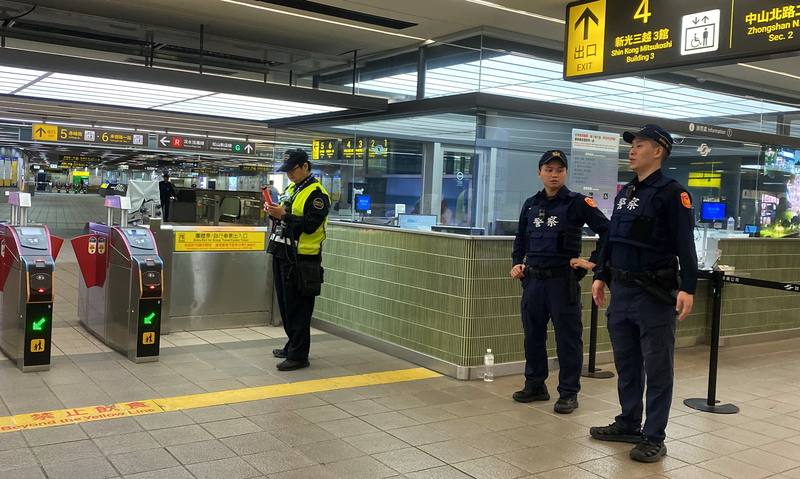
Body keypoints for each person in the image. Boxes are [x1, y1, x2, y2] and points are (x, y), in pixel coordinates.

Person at [590, 124, 698, 463]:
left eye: (639, 145)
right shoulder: (626, 193)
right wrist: (600, 275)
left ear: (658, 151)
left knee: (657, 367)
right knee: (627, 364)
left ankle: (654, 436)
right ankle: (628, 422)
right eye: (632, 145)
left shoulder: (672, 193)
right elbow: (611, 239)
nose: (632, 150)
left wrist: (689, 287)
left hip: (653, 294)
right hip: (621, 291)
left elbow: (685, 244)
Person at [510, 150, 609, 414]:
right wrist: (517, 262)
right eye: (549, 169)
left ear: (565, 173)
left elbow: (608, 231)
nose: (554, 175)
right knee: (532, 335)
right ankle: (535, 384)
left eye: (559, 170)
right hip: (533, 281)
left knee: (567, 338)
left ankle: (568, 393)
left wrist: (593, 261)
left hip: (561, 282)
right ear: (540, 172)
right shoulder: (530, 204)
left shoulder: (577, 203)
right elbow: (521, 239)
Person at [266, 149, 330, 371]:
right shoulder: (293, 188)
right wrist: (274, 212)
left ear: (305, 166)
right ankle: (292, 344)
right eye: (287, 171)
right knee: (285, 305)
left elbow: (310, 225)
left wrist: (283, 215)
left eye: (293, 170)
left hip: (302, 258)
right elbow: (287, 216)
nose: (290, 175)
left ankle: (299, 355)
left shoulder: (317, 194)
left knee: (299, 308)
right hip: (283, 253)